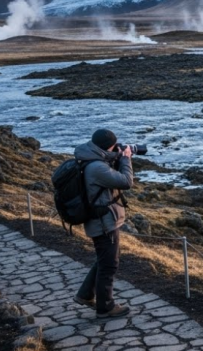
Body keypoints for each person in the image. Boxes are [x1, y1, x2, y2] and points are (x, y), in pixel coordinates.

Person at [73, 128, 134, 318]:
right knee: (109, 264)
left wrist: (114, 157)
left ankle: (85, 294)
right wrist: (125, 159)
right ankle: (105, 307)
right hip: (104, 222)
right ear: (109, 146)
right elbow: (126, 181)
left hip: (99, 219)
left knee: (103, 259)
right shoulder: (97, 167)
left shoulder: (90, 157)